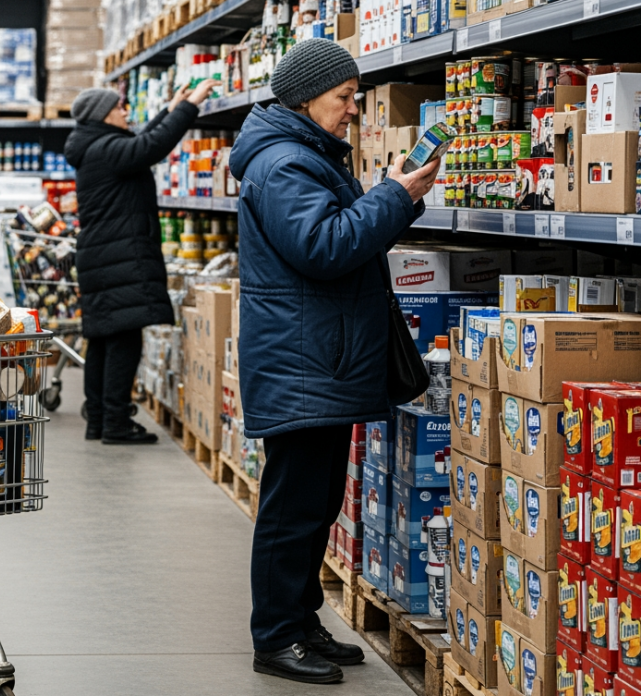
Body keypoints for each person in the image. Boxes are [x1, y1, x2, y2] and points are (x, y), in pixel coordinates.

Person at [227, 38, 438, 685]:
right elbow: (324, 245)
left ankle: (300, 618)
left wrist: (398, 194)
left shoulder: (303, 154)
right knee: (293, 507)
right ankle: (275, 636)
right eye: (344, 97)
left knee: (317, 503)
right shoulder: (283, 162)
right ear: (306, 96)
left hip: (320, 357)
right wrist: (395, 197)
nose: (352, 109)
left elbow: (340, 230)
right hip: (303, 362)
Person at [64, 79, 218, 445]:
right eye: (118, 108)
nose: (124, 112)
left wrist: (168, 110)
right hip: (118, 256)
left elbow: (136, 144)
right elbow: (150, 147)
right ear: (104, 115)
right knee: (124, 338)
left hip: (102, 255)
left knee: (102, 339)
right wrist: (187, 108)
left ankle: (99, 420)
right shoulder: (105, 149)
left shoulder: (97, 146)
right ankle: (116, 422)